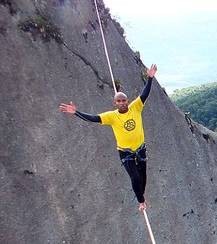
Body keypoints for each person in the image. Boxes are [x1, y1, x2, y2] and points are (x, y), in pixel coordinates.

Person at [60, 64, 158, 211]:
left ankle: (141, 194)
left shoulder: (135, 107)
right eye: (119, 101)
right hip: (126, 153)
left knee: (143, 179)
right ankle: (141, 202)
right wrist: (76, 112)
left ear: (128, 101)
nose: (122, 103)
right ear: (115, 103)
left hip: (141, 149)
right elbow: (94, 118)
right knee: (135, 178)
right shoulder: (112, 116)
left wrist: (150, 78)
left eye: (124, 100)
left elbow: (144, 94)